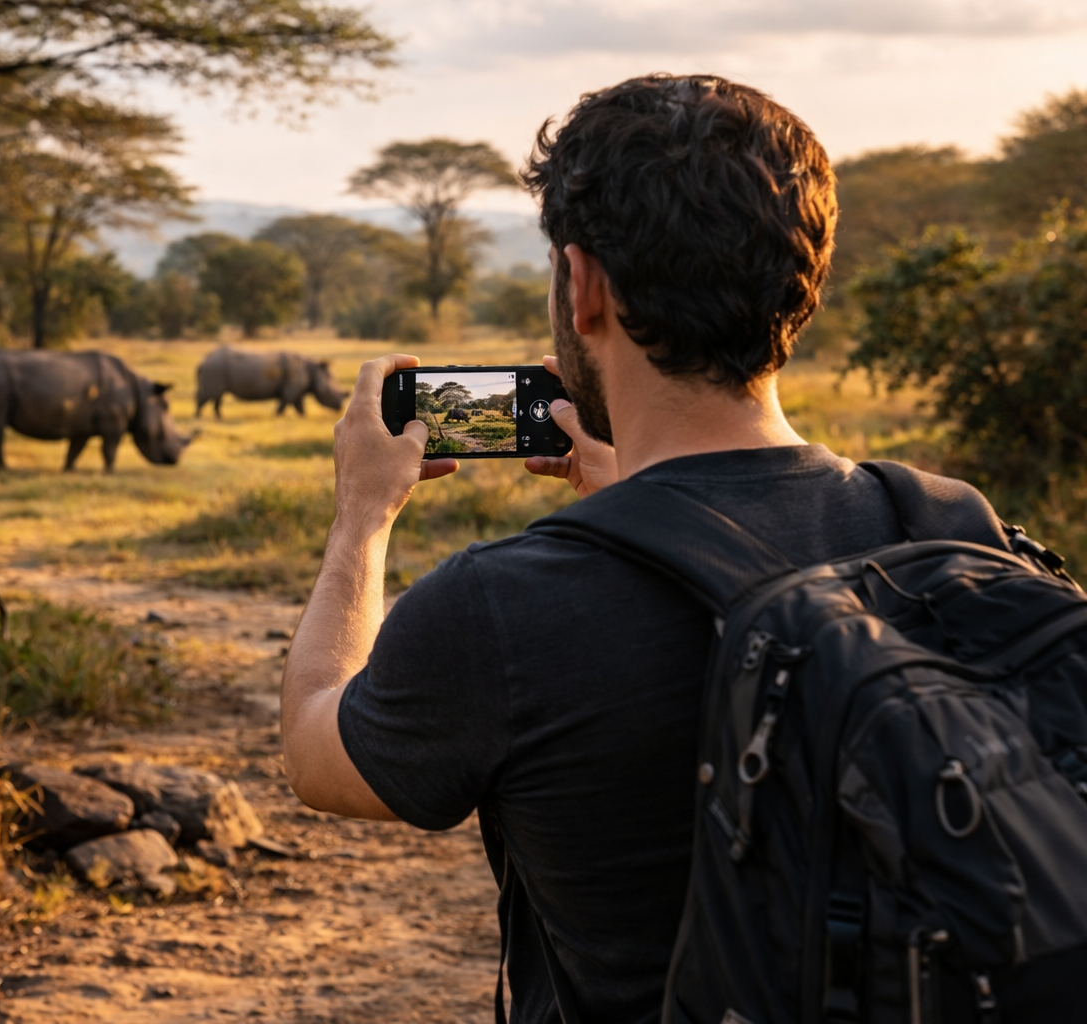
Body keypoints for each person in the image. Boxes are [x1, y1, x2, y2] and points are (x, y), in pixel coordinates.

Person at [282, 74, 881, 1022]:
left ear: (585, 284)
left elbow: (318, 753)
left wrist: (362, 517)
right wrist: (638, 505)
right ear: (802, 278)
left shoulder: (506, 606)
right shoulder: (958, 531)